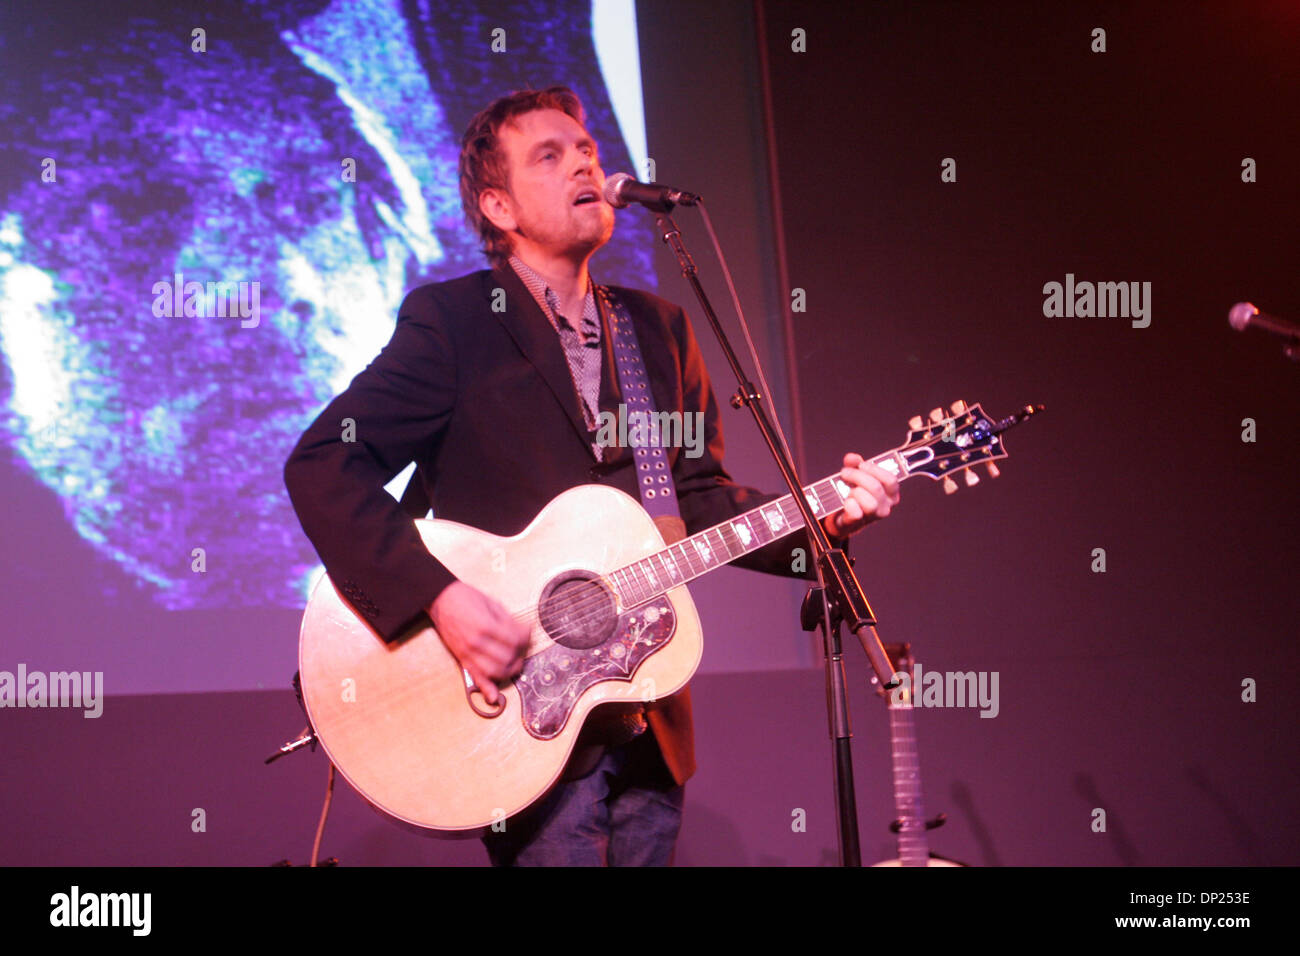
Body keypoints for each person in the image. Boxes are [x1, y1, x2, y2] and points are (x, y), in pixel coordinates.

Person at [283, 85, 901, 866]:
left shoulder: (659, 330)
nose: (583, 161)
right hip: (519, 719)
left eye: (588, 151)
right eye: (552, 154)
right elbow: (322, 461)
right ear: (498, 207)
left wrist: (826, 520)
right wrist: (442, 600)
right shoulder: (453, 324)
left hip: (646, 712)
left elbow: (698, 497)